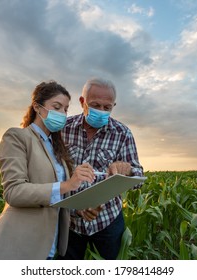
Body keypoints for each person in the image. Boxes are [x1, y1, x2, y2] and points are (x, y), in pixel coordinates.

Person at [0, 81, 95, 260]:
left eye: (65, 109)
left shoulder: (57, 147)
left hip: (49, 245)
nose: (62, 114)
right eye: (56, 107)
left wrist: (78, 209)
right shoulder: (17, 137)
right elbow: (14, 192)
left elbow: (54, 198)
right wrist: (67, 185)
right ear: (37, 107)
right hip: (20, 245)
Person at [59, 77, 144, 260]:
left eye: (107, 107)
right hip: (69, 221)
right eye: (95, 105)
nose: (102, 111)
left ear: (114, 105)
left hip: (108, 220)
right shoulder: (63, 129)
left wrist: (127, 170)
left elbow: (138, 178)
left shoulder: (122, 133)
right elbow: (50, 171)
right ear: (82, 102)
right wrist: (78, 206)